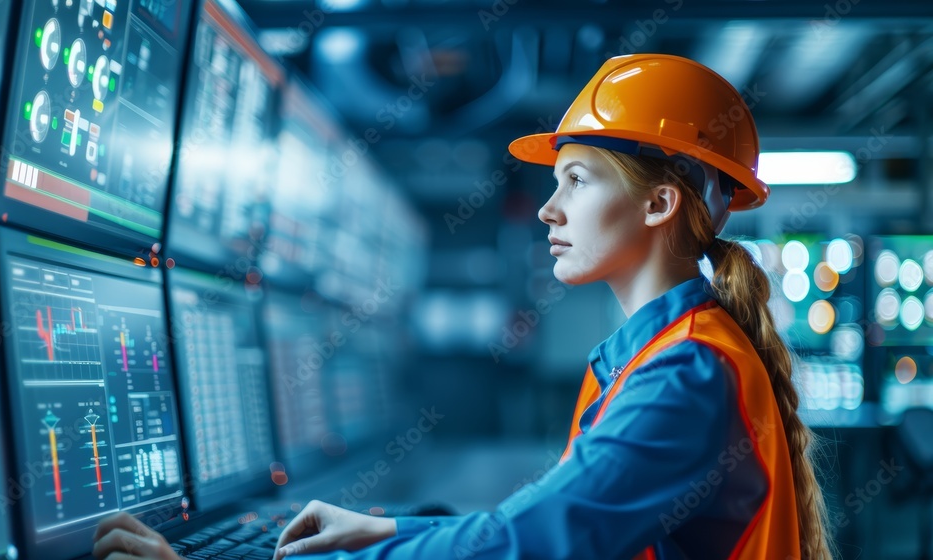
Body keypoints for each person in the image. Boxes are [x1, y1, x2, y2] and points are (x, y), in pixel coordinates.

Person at [92, 54, 834, 560]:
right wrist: (388, 528)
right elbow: (540, 529)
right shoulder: (666, 352)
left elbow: (536, 542)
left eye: (576, 180)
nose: (549, 209)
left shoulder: (687, 375)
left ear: (660, 204)